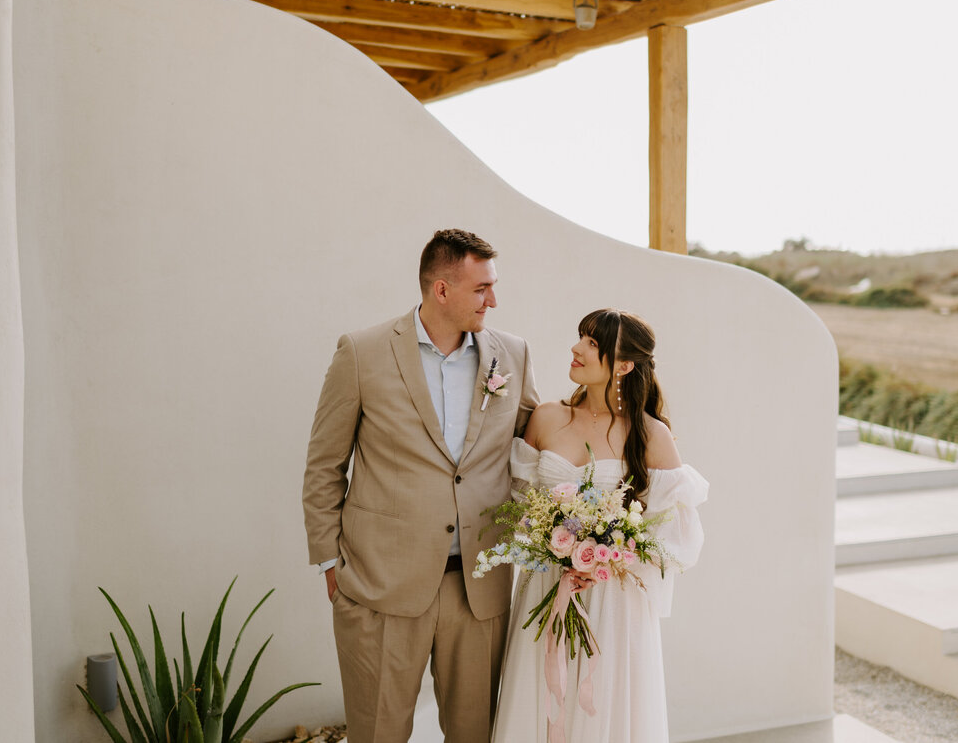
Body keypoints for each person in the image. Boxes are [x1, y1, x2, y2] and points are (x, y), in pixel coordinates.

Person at [302, 229, 539, 743]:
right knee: (378, 733)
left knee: (476, 734)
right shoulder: (362, 353)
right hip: (380, 586)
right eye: (482, 289)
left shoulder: (513, 355)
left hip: (479, 589)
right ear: (442, 289)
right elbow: (324, 464)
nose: (493, 300)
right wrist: (329, 562)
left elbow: (536, 446)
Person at [492, 309, 709, 743]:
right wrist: (547, 542)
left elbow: (674, 535)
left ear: (624, 365)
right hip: (546, 586)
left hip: (612, 598)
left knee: (603, 706)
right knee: (541, 694)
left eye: (592, 343)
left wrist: (612, 557)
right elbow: (516, 502)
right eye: (580, 338)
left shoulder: (650, 435)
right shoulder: (547, 417)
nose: (576, 349)